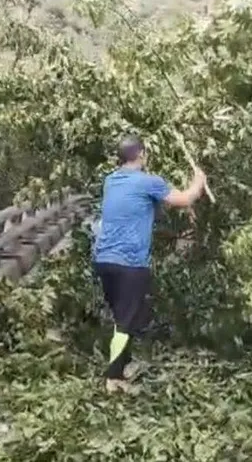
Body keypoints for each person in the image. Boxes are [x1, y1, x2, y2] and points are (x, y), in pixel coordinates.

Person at [92, 134, 206, 393]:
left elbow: (139, 206)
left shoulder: (111, 181)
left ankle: (122, 364)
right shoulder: (148, 182)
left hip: (104, 261)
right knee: (126, 321)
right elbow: (185, 199)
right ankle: (113, 380)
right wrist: (198, 182)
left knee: (126, 316)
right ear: (141, 154)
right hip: (130, 263)